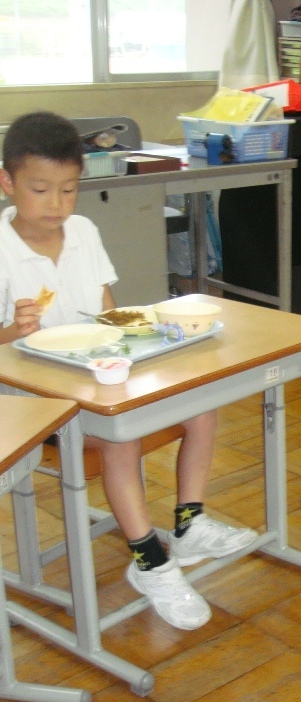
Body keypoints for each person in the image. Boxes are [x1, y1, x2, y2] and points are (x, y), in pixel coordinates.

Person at [0, 111, 257, 631]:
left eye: (69, 190)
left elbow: (106, 313)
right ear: (7, 183)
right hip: (32, 402)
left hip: (96, 376)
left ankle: (189, 524)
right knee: (121, 436)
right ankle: (149, 561)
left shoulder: (83, 232)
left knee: (199, 403)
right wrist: (10, 331)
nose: (56, 204)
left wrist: (135, 341)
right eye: (40, 190)